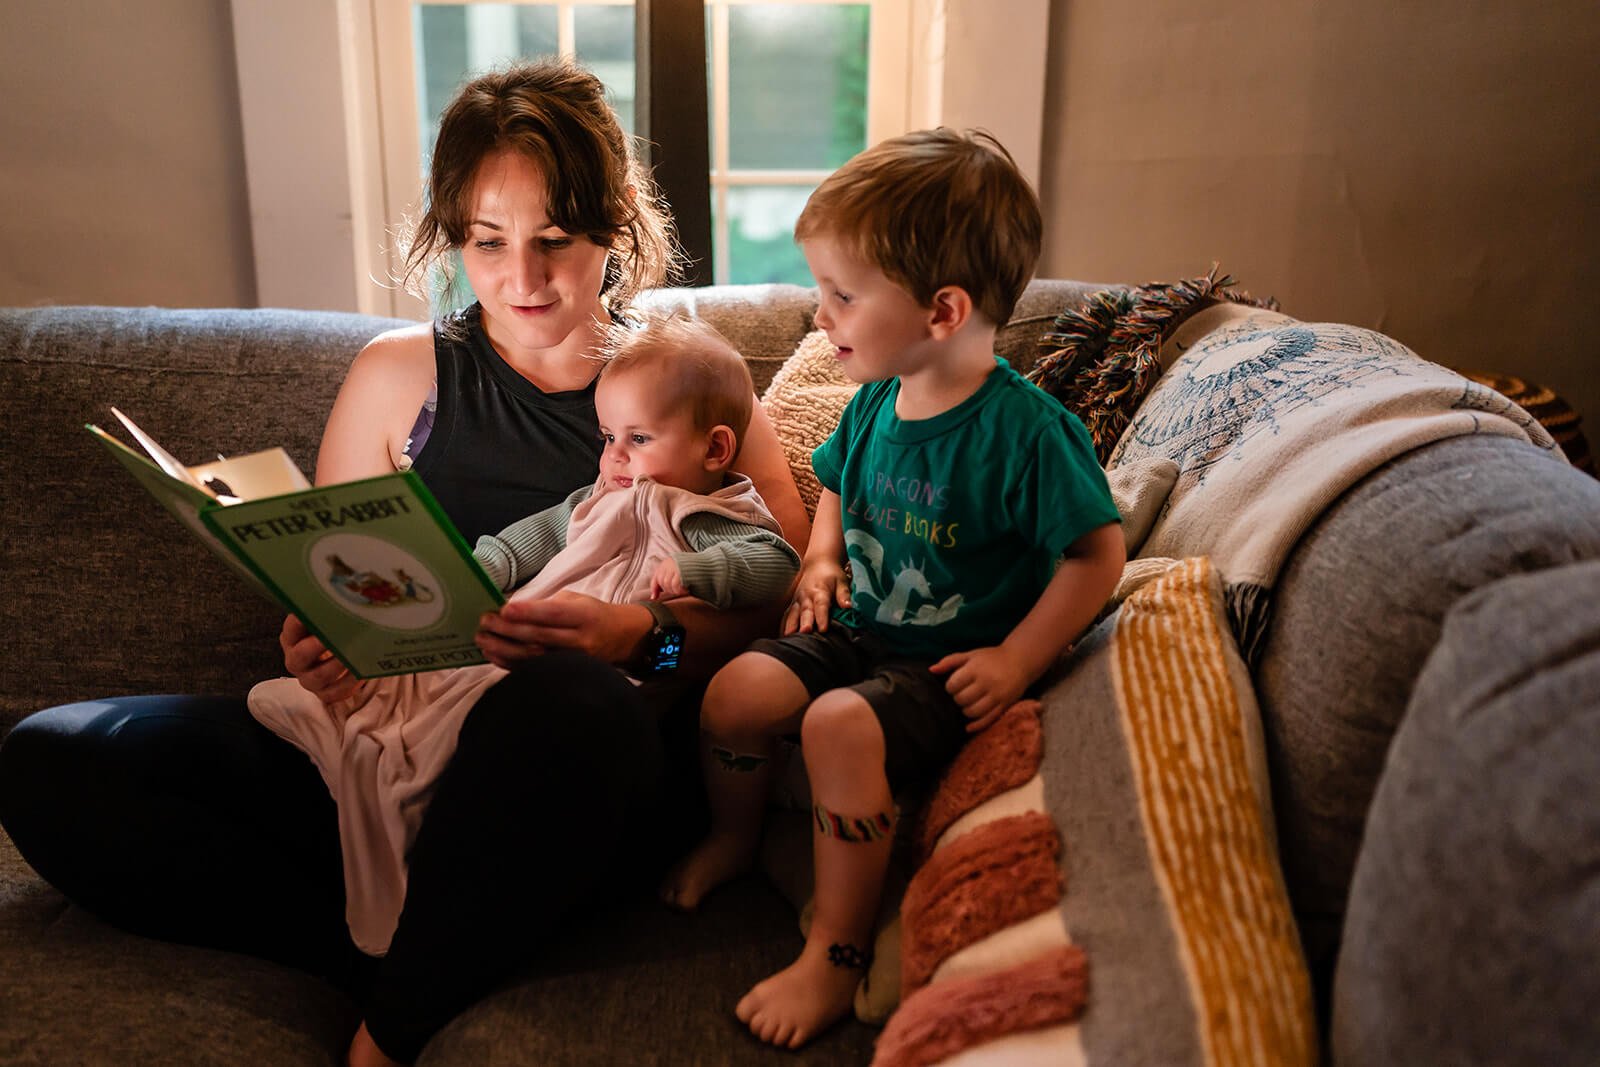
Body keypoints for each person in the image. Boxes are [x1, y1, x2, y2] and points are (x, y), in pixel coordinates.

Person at [0, 60, 809, 1067]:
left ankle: (393, 1022)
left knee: (576, 701)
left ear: (615, 226)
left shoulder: (688, 383)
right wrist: (322, 644)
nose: (523, 279)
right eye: (486, 242)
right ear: (452, 240)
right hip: (385, 747)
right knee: (55, 756)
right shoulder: (399, 374)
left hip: (574, 776)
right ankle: (412, 949)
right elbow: (337, 585)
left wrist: (646, 640)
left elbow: (781, 616)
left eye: (556, 240)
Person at [658, 128, 1127, 1048]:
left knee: (837, 726)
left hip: (945, 663)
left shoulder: (1028, 433)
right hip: (860, 626)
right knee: (734, 690)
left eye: (841, 295)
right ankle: (739, 837)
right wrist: (823, 555)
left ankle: (835, 952)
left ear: (943, 310)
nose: (819, 316)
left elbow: (1096, 555)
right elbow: (836, 482)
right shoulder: (875, 396)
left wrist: (1016, 656)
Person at [247, 315, 801, 957]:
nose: (615, 456)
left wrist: (666, 609)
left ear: (715, 450)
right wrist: (465, 574)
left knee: (516, 706)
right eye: (607, 437)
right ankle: (356, 726)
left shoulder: (705, 507)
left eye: (638, 439)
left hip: (610, 698)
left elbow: (776, 571)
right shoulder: (594, 494)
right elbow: (530, 538)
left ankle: (394, 782)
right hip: (507, 637)